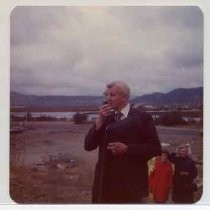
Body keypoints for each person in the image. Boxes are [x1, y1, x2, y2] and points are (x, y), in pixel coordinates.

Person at [84, 81, 161, 203]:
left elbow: (155, 148)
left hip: (130, 188)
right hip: (104, 187)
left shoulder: (142, 118)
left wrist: (127, 149)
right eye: (107, 95)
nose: (108, 99)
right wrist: (99, 121)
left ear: (125, 97)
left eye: (112, 95)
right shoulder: (105, 118)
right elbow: (88, 146)